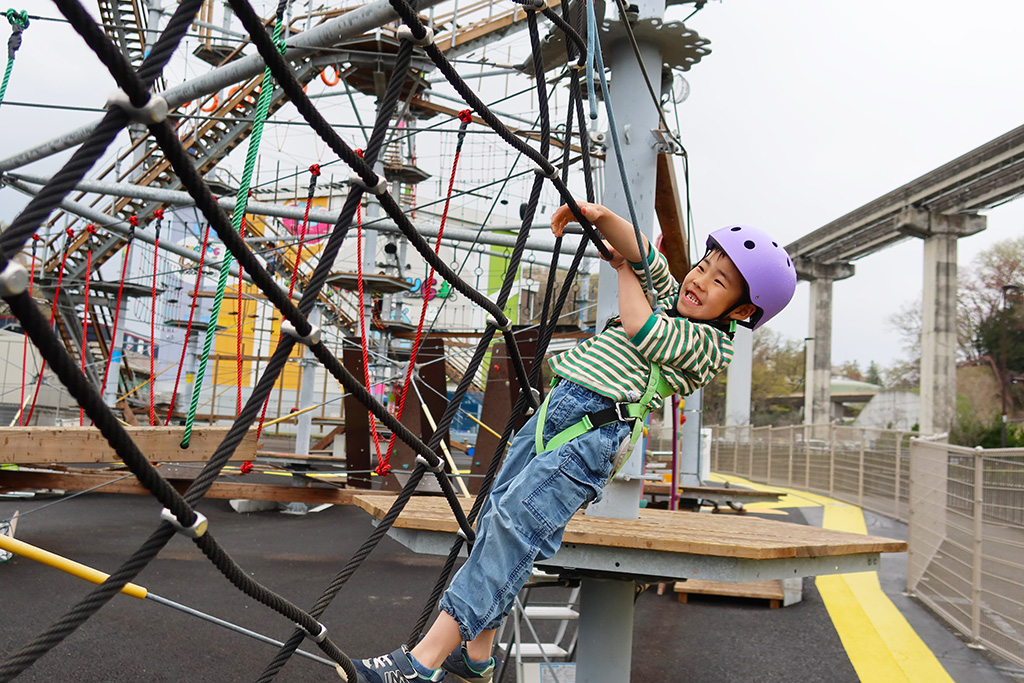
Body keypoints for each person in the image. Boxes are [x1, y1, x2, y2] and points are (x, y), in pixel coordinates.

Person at [343, 202, 797, 683]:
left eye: (719, 282)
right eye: (703, 266)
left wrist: (622, 271)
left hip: (592, 436)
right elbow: (645, 255)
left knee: (516, 527)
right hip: (553, 415)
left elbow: (645, 330)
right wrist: (598, 217)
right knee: (496, 515)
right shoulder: (670, 296)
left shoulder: (708, 344)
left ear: (742, 311)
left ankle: (421, 664)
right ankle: (476, 653)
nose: (700, 280)